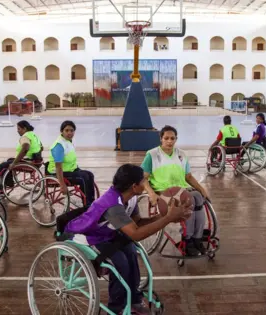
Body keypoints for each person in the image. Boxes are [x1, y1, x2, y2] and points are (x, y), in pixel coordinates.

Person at [64, 164, 192, 315]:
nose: (146, 184)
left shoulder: (130, 198)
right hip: (87, 237)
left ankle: (134, 300)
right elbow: (136, 234)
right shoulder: (112, 205)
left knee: (131, 252)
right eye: (143, 181)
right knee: (120, 262)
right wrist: (168, 218)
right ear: (134, 186)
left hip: (106, 234)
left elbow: (136, 223)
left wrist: (163, 217)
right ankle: (115, 308)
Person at [141, 125, 208, 256]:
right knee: (188, 201)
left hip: (182, 189)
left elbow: (188, 176)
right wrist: (151, 193)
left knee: (198, 197)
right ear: (161, 139)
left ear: (176, 139)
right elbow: (143, 178)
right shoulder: (152, 155)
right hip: (164, 192)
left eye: (172, 138)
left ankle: (197, 238)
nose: (169, 141)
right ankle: (187, 240)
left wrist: (201, 188)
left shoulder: (181, 154)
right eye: (166, 138)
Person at [46, 120, 96, 207]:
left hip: (70, 169)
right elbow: (58, 167)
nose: (69, 133)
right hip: (57, 172)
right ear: (62, 131)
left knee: (89, 175)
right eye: (67, 130)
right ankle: (87, 205)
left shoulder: (68, 141)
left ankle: (91, 201)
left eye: (72, 130)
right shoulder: (59, 145)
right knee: (83, 178)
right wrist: (62, 185)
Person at [0, 120, 43, 186]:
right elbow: (41, 148)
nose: (17, 131)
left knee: (3, 165)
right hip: (38, 162)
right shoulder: (33, 135)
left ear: (24, 129)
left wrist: (14, 163)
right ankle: (9, 181)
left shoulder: (25, 136)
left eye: (19, 129)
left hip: (30, 162)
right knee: (9, 160)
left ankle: (2, 185)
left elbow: (25, 148)